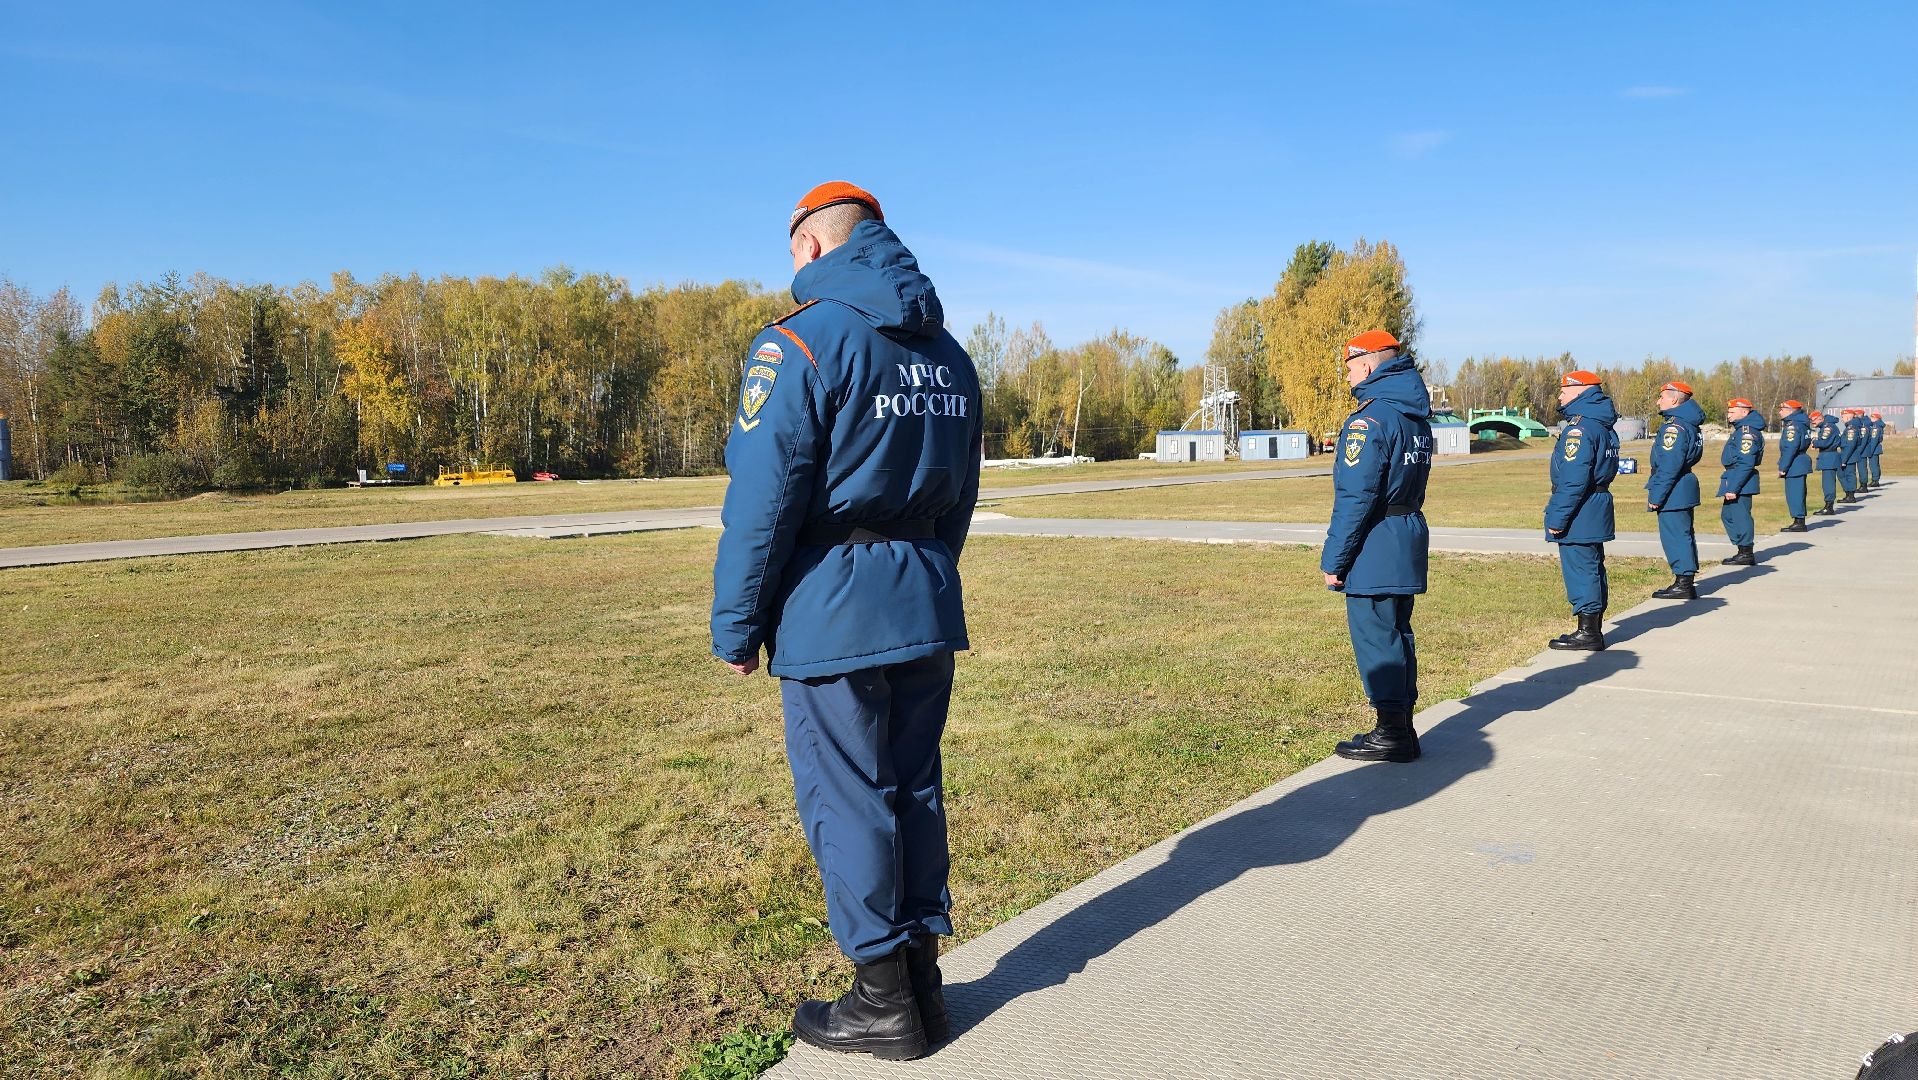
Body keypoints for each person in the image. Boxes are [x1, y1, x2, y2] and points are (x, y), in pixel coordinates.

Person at [709, 182, 982, 1061]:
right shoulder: (949, 355)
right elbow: (961, 497)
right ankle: (924, 984)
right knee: (914, 789)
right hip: (925, 595)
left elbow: (764, 497)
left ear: (811, 247)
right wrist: (928, 570)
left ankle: (881, 1000)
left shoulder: (797, 345)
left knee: (850, 798)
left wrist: (736, 624)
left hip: (833, 604)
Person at [1320, 329, 1432, 763]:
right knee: (1398, 633)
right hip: (1405, 531)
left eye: (1349, 368)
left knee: (1376, 636)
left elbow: (1356, 496)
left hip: (1376, 540)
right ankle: (1400, 725)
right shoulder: (1413, 415)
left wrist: (1335, 560)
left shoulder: (1370, 420)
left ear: (1366, 364)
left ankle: (1391, 733)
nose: (1348, 378)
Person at [1544, 370, 1620, 651]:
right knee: (1592, 566)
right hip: (1595, 504)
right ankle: (1592, 627)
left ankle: (1588, 633)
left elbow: (1574, 479)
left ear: (1581, 391)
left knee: (1581, 567)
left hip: (1582, 508)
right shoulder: (1602, 426)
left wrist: (1557, 516)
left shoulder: (1580, 429)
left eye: (1564, 390)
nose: (1560, 395)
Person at [1645, 381, 1706, 599]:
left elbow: (1670, 465)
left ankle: (1683, 582)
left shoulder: (1675, 427)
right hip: (1682, 484)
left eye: (1661, 397)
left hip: (1675, 488)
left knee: (1675, 535)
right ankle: (1684, 579)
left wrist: (1656, 495)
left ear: (1673, 399)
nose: (1658, 401)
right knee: (1683, 534)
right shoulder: (1688, 424)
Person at [1718, 398, 1765, 565]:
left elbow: (1746, 462)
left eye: (1732, 412)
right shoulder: (1740, 430)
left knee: (1740, 516)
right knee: (1728, 516)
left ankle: (1746, 551)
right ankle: (1742, 548)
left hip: (1740, 479)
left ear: (1744, 412)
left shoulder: (1746, 432)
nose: (1728, 415)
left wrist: (1734, 488)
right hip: (1734, 476)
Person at [1774, 399, 1811, 532]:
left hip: (1795, 463)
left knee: (1795, 493)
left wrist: (1783, 467)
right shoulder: (1801, 423)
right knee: (1798, 492)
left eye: (1782, 409)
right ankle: (1798, 520)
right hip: (1799, 461)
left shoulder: (1792, 426)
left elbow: (1790, 447)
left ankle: (1799, 522)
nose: (1780, 412)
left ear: (1790, 411)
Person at [1812, 409, 1843, 515]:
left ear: (1820, 418)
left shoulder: (1827, 427)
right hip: (1828, 457)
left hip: (1829, 457)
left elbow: (1825, 442)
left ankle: (1829, 506)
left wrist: (1815, 443)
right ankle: (1828, 504)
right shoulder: (1827, 426)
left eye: (1814, 420)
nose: (1813, 423)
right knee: (1827, 482)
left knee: (1828, 483)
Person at [1839, 408, 1863, 502]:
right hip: (1849, 454)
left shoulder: (1851, 428)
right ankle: (1848, 494)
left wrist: (1844, 460)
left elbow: (1850, 445)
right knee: (1847, 474)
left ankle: (1851, 495)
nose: (1842, 419)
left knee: (1849, 475)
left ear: (1848, 416)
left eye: (1843, 417)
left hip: (1849, 455)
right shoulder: (1852, 426)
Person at [1869, 411, 1887, 486]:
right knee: (1875, 464)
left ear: (1876, 418)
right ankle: (1876, 479)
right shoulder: (1878, 425)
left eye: (1872, 417)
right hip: (1876, 448)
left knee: (1873, 464)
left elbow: (1874, 439)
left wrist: (1870, 451)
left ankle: (1875, 480)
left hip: (1874, 449)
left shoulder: (1875, 427)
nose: (1871, 419)